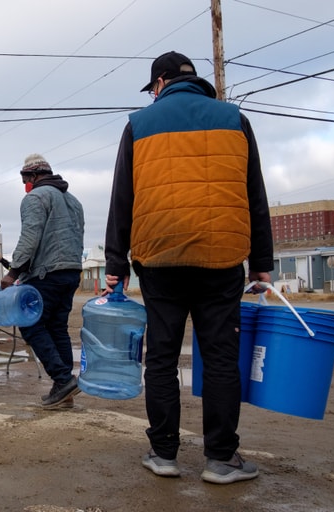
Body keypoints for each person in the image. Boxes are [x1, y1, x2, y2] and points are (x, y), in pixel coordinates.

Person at [103, 51, 274, 484]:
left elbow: (123, 196)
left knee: (161, 358)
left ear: (160, 82)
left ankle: (164, 454)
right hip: (222, 257)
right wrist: (262, 263)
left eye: (152, 88)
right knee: (220, 358)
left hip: (159, 256)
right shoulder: (235, 119)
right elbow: (254, 193)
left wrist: (115, 263)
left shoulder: (139, 125)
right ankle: (221, 459)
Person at [1, 154, 85, 408]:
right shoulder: (74, 201)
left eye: (25, 180)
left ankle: (63, 380)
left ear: (34, 176)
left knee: (31, 324)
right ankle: (64, 390)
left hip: (46, 273)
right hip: (71, 272)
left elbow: (30, 236)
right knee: (57, 327)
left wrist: (13, 272)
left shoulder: (35, 198)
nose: (25, 185)